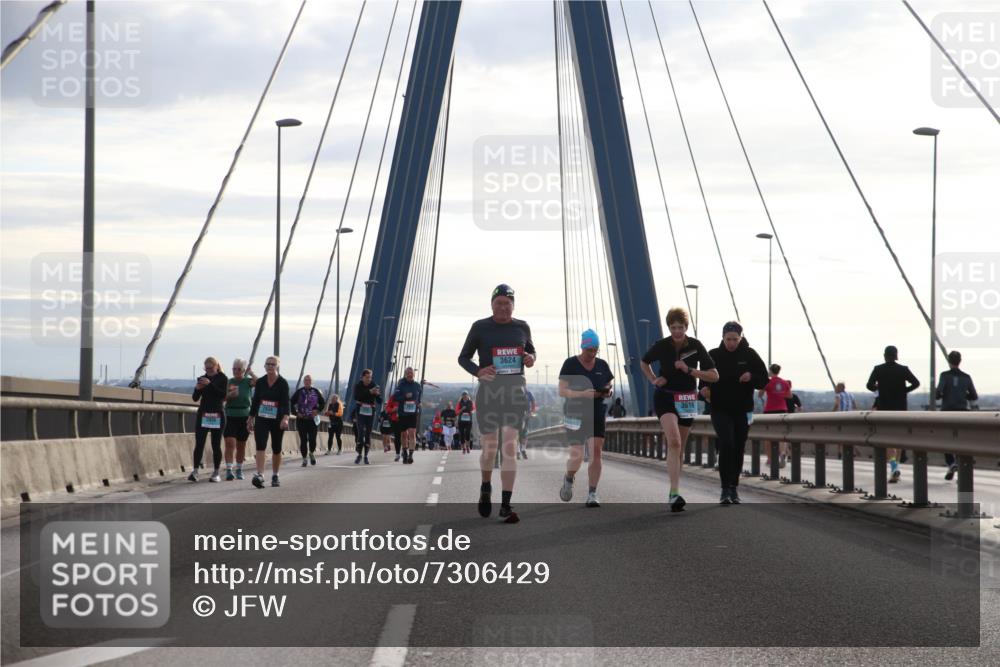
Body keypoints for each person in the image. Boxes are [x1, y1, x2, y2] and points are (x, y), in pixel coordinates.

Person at [458, 284, 536, 523]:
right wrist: (479, 371)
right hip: (489, 395)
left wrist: (530, 358)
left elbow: (531, 352)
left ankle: (505, 504)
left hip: (515, 394)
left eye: (507, 303)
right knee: (490, 447)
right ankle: (485, 486)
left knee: (509, 447)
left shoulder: (522, 327)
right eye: (499, 303)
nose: (503, 307)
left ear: (513, 305)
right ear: (492, 305)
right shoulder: (480, 327)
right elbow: (463, 357)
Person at [640, 307, 718, 512]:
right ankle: (674, 494)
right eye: (673, 328)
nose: (676, 331)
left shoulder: (696, 345)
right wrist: (653, 379)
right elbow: (644, 362)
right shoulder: (662, 345)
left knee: (680, 447)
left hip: (687, 399)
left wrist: (689, 370)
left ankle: (673, 491)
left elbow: (714, 375)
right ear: (669, 327)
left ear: (686, 327)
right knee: (673, 441)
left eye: (680, 328)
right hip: (665, 397)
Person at [701, 322, 768, 504]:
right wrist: (704, 389)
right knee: (727, 443)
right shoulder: (713, 355)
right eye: (728, 339)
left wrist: (751, 377)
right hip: (720, 408)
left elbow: (763, 380)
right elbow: (703, 380)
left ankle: (734, 487)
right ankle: (724, 489)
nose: (731, 343)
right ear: (723, 338)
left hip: (743, 410)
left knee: (738, 446)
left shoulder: (750, 354)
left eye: (735, 339)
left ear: (740, 338)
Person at [558, 329, 614, 508]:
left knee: (596, 452)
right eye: (589, 349)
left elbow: (608, 383)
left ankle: (592, 493)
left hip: (596, 411)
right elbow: (562, 391)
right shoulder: (570, 364)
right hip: (574, 413)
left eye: (595, 349)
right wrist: (583, 394)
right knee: (577, 456)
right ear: (582, 347)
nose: (592, 353)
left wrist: (608, 391)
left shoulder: (602, 365)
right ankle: (569, 477)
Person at [866, 345, 920, 482]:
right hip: (900, 408)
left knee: (887, 439)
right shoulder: (903, 369)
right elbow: (916, 383)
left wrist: (878, 387)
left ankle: (894, 466)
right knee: (898, 438)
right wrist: (904, 390)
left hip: (884, 409)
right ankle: (897, 466)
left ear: (885, 356)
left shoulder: (878, 369)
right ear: (896, 356)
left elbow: (869, 385)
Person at [248, 355, 290, 488]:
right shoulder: (260, 382)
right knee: (260, 445)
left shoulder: (283, 383)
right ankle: (260, 474)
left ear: (277, 366)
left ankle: (275, 475)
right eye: (268, 364)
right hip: (262, 418)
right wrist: (250, 418)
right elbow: (255, 401)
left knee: (276, 448)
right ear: (265, 366)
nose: (270, 366)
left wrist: (285, 418)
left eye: (273, 364)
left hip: (277, 419)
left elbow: (286, 402)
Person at [937, 350, 978, 480]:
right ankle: (960, 464)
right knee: (960, 440)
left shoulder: (944, 375)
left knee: (945, 439)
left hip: (947, 412)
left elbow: (938, 393)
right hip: (962, 412)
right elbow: (974, 396)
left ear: (949, 361)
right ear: (960, 361)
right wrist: (962, 395)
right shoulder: (966, 377)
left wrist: (945, 394)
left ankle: (951, 463)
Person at [190, 357, 228, 482]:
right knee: (199, 443)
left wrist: (209, 385)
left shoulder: (222, 378)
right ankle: (195, 471)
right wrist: (197, 389)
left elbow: (223, 395)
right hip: (204, 414)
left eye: (211, 368)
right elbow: (195, 398)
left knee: (216, 444)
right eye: (206, 369)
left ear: (216, 366)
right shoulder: (202, 378)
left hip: (217, 414)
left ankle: (216, 472)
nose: (209, 371)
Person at [223, 358, 255, 480]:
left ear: (243, 370)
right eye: (234, 369)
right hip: (230, 415)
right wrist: (229, 396)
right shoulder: (229, 382)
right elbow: (222, 398)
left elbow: (261, 384)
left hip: (244, 416)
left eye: (239, 369)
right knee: (230, 442)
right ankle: (229, 469)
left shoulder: (248, 382)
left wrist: (251, 373)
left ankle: (239, 469)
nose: (236, 371)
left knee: (241, 445)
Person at [758, 364, 792, 469]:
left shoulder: (767, 381)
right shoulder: (784, 382)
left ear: (770, 371)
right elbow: (789, 395)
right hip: (782, 410)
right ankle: (782, 453)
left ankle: (770, 458)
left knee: (768, 435)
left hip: (770, 410)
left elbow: (760, 394)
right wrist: (780, 394)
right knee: (781, 434)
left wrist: (769, 393)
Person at [291, 375, 324, 467]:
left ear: (312, 382)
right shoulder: (299, 392)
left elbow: (322, 403)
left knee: (312, 439)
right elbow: (291, 402)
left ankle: (311, 453)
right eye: (305, 380)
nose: (307, 381)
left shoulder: (316, 391)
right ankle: (304, 459)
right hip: (301, 419)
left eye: (309, 380)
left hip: (312, 420)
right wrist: (296, 413)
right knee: (303, 440)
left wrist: (317, 410)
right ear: (303, 381)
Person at [393, 366, 423, 464]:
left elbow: (419, 398)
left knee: (412, 433)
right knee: (403, 434)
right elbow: (395, 397)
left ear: (414, 374)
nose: (410, 375)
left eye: (411, 373)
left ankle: (411, 455)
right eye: (408, 373)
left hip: (413, 413)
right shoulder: (401, 385)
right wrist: (405, 396)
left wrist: (419, 403)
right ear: (405, 374)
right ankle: (405, 452)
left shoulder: (417, 386)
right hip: (402, 413)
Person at [352, 369, 382, 465]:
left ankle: (366, 456)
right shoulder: (358, 386)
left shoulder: (374, 385)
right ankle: (359, 454)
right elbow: (357, 397)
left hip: (370, 411)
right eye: (367, 377)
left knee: (368, 433)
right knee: (360, 432)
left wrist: (377, 394)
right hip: (360, 411)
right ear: (362, 377)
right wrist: (369, 392)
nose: (369, 379)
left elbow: (380, 401)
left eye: (370, 377)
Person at [517, 390, 537, 460]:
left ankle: (523, 450)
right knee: (517, 433)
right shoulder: (514, 392)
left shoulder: (528, 393)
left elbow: (533, 402)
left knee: (524, 433)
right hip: (516, 416)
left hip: (526, 416)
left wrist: (532, 412)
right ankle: (518, 451)